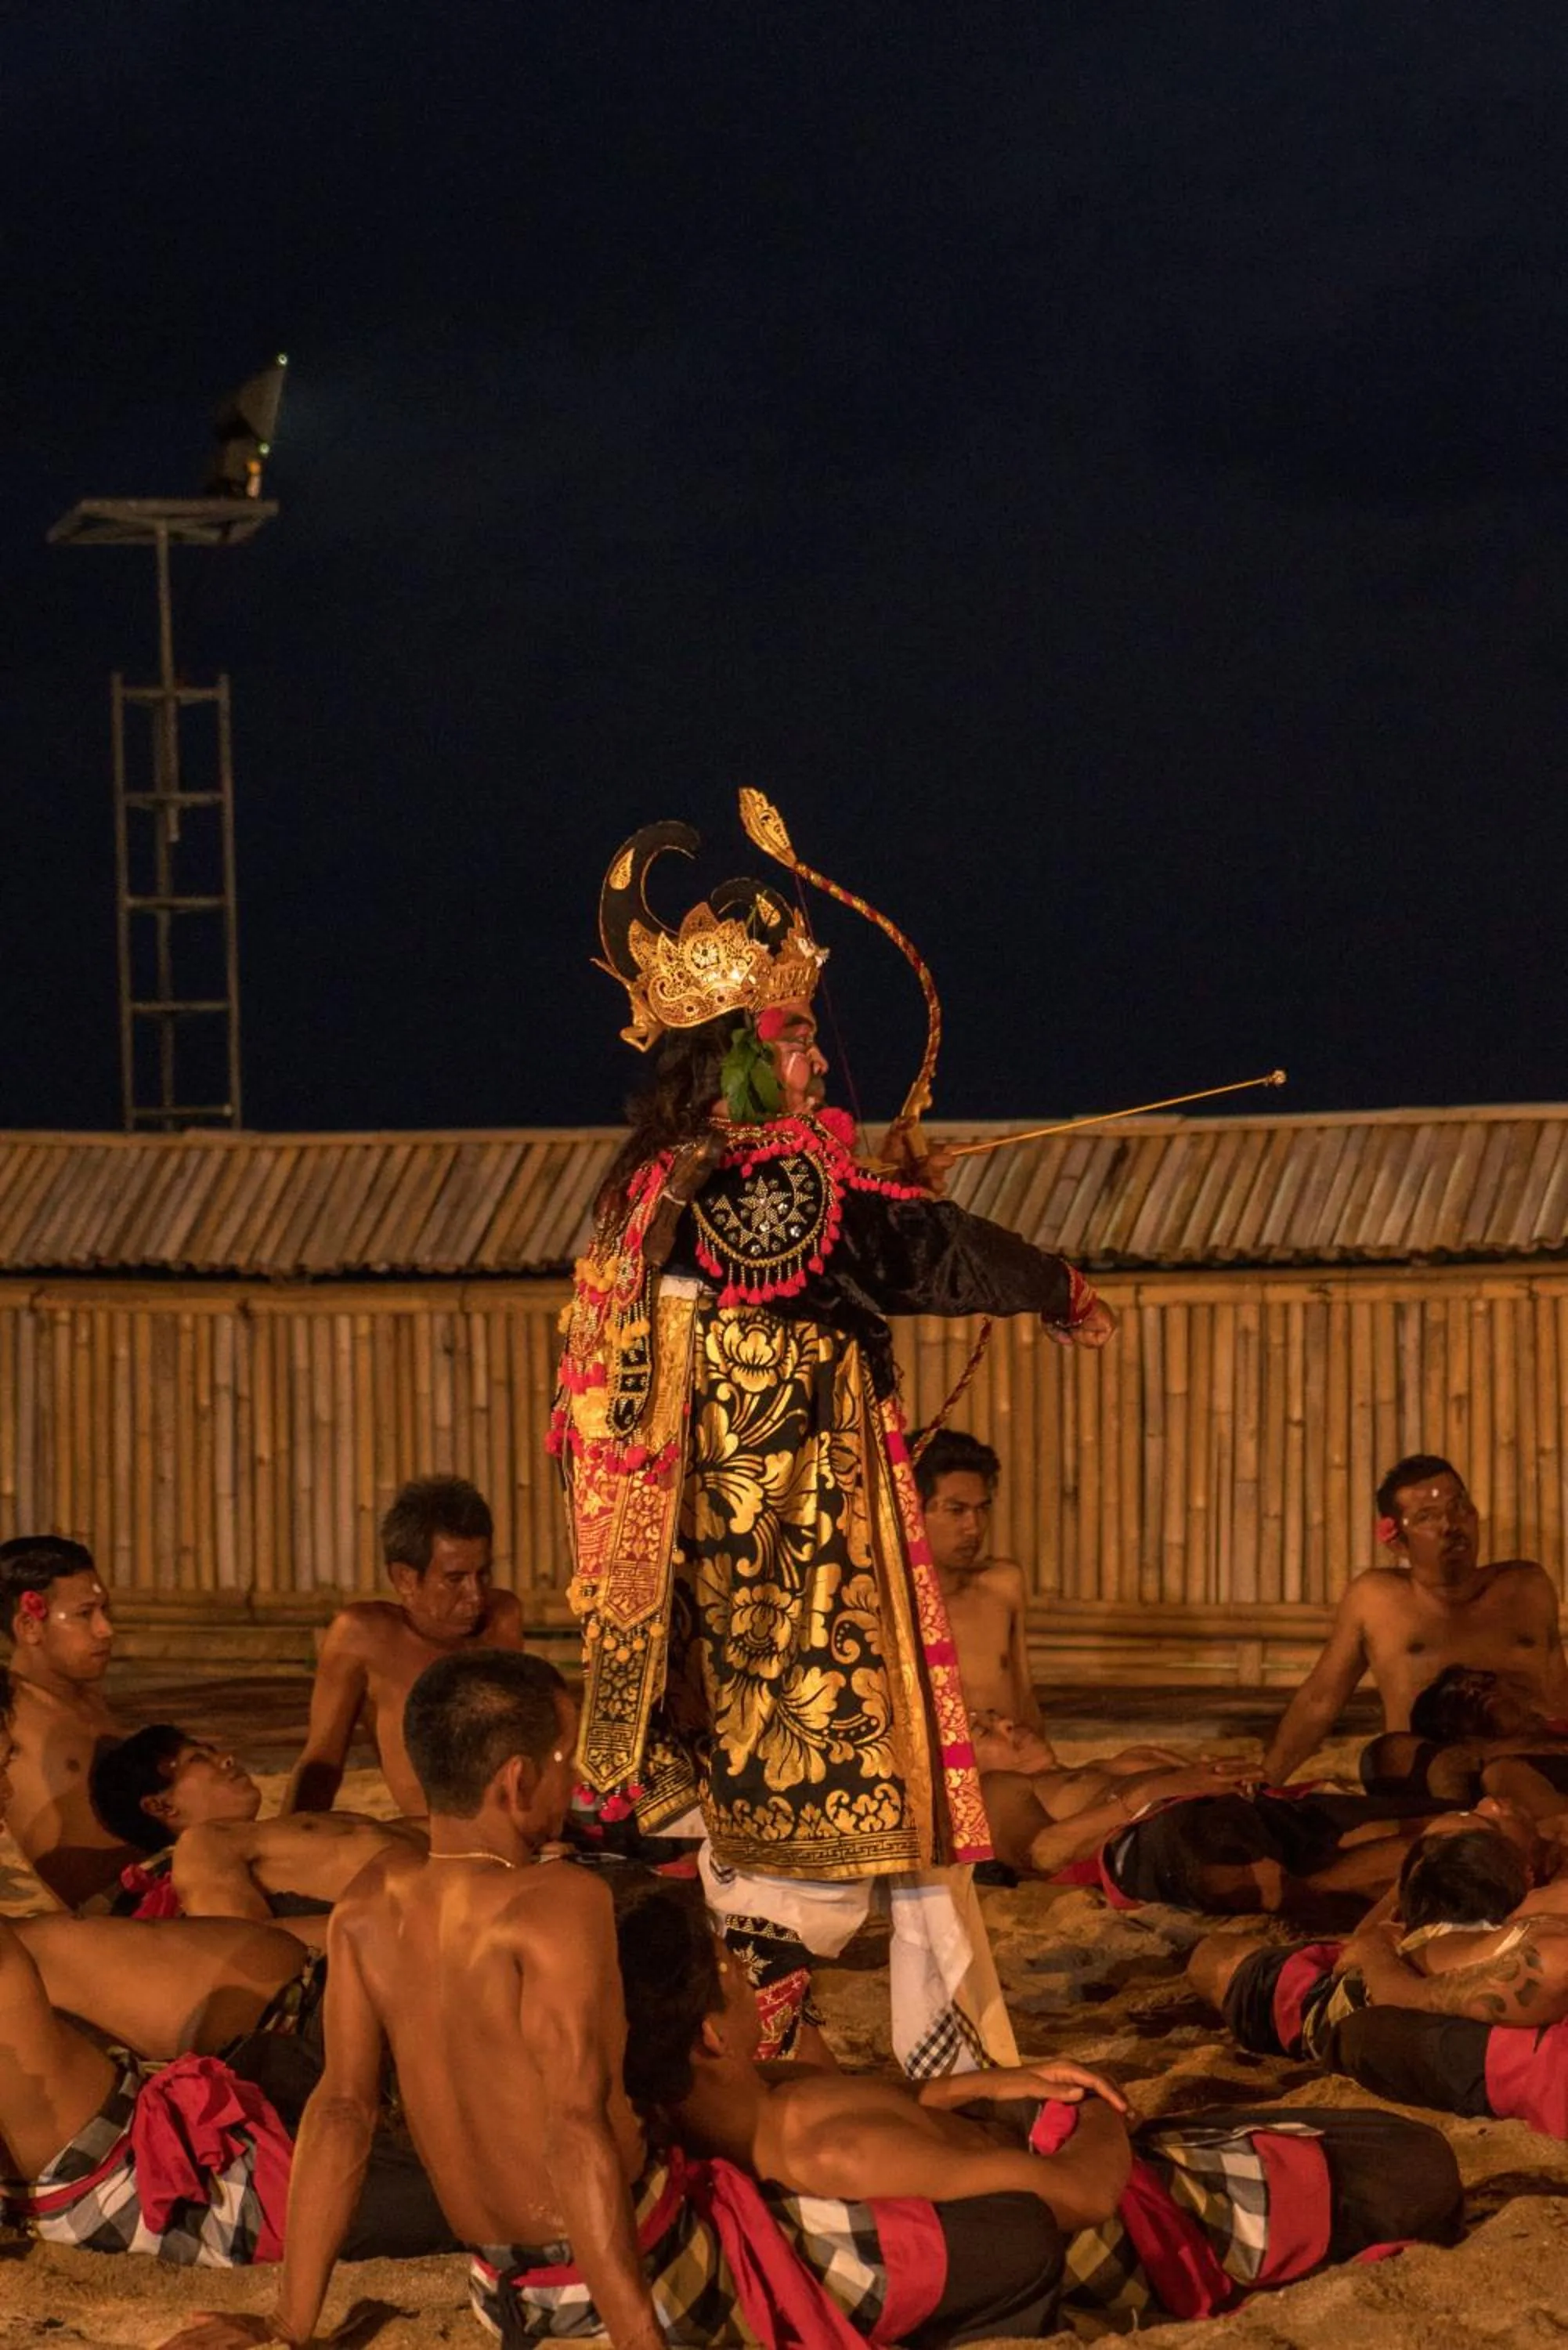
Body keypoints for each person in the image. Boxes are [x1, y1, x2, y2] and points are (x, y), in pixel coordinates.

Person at [559, 803, 1115, 2073]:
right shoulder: (765, 1195)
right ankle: (747, 2041)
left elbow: (860, 1238)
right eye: (795, 1039)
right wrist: (1055, 1286)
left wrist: (894, 1185)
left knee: (897, 1832)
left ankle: (947, 2055)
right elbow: (903, 1248)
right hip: (802, 1587)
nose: (814, 1064)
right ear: (735, 1057)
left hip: (732, 1586)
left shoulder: (664, 1191)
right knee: (846, 1838)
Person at [161, 1648, 1078, 2350]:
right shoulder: (553, 1902)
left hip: (501, 2295)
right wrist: (639, 2335)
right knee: (1016, 2240)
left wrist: (292, 2327)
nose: (578, 1779)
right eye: (565, 1756)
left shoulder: (368, 1900)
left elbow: (343, 2113)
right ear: (515, 1780)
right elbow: (573, 2125)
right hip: (622, 2279)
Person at [610, 1872, 1463, 2331]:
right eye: (732, 1981)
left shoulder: (736, 2105)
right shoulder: (839, 2153)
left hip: (1019, 2150)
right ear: (711, 2039)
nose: (753, 1990)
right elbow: (1081, 2197)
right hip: (1135, 2213)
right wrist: (1094, 2106)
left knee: (1344, 2138)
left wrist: (997, 2082)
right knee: (1411, 2161)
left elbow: (911, 2092)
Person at [0, 1668, 453, 2269]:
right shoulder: (201, 1850)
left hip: (194, 2119)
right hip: (173, 2178)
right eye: (4, 1759)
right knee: (488, 2188)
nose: (9, 1789)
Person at [1261, 1455, 1568, 1787]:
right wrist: (1265, 1782)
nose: (1451, 1525)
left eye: (1458, 1508)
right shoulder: (1377, 1600)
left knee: (1508, 1773)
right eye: (1427, 1517)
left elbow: (1557, 1691)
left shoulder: (1525, 1586)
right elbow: (1320, 1701)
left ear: (1475, 1515)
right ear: (1396, 1542)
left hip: (1530, 1762)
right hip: (1430, 1771)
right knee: (1387, 1752)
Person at [280, 1476, 524, 1817]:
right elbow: (322, 1761)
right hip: (436, 1844)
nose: (476, 1596)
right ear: (405, 1579)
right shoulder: (365, 1637)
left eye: (482, 1575)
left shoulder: (503, 1618)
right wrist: (289, 1847)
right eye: (455, 1580)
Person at [89, 1725, 427, 1925]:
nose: (227, 1759)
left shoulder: (272, 1832)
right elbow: (251, 1948)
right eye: (199, 1759)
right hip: (436, 1915)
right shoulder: (204, 1845)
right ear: (161, 1805)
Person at [0, 1533, 136, 1907]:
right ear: (29, 1626)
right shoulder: (11, 1711)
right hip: (111, 1914)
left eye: (104, 1610)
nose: (106, 1629)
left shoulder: (84, 1694)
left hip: (153, 1884)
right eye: (84, 1614)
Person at [916, 1428, 1044, 1732]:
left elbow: (1025, 1696)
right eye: (956, 1511)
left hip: (1023, 1765)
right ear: (911, 1511)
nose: (974, 1528)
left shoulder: (1002, 1587)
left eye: (982, 1509)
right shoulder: (886, 1610)